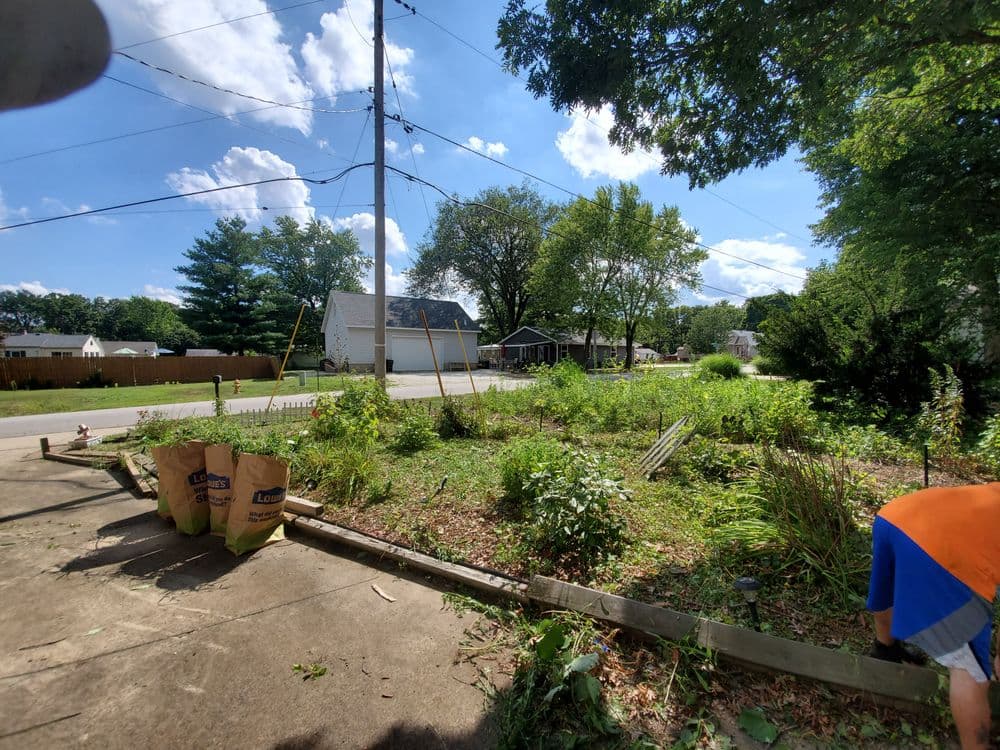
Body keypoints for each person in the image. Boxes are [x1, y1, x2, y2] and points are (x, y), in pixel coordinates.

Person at [867, 482, 999, 749]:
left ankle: (885, 648)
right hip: (943, 546)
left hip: (895, 515)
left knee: (886, 590)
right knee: (970, 666)